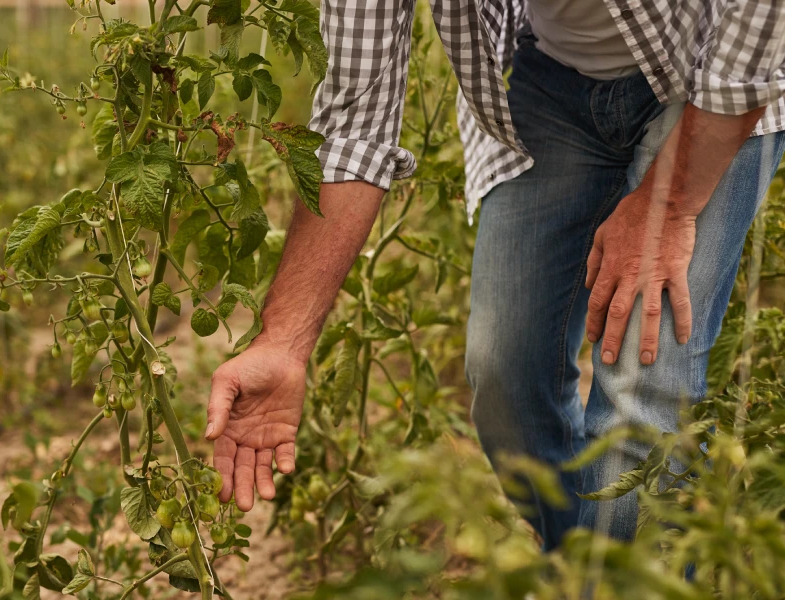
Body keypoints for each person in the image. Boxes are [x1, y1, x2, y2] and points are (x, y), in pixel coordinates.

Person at [203, 0, 785, 549]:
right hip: (554, 84)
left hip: (715, 79)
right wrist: (283, 342)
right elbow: (354, 127)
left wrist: (671, 205)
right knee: (506, 376)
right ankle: (581, 566)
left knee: (642, 398)